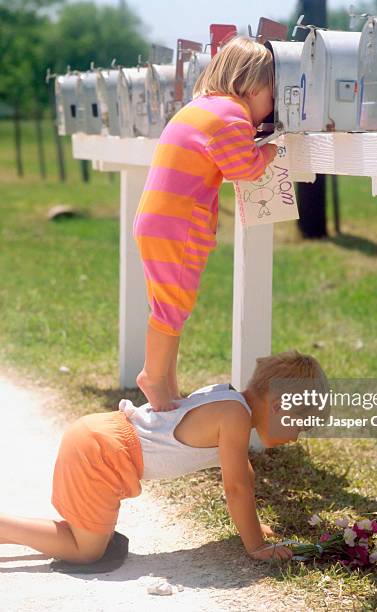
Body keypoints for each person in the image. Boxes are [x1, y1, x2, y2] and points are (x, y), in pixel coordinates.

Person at [0, 351, 328, 570]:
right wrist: (256, 548)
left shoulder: (227, 399)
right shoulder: (235, 417)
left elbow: (239, 478)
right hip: (103, 454)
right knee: (87, 551)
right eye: (303, 425)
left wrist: (259, 533)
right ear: (281, 405)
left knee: (84, 537)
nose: (298, 437)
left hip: (99, 439)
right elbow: (237, 486)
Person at [134, 36, 278, 411]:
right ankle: (153, 378)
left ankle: (166, 384)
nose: (273, 108)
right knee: (172, 307)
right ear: (251, 85)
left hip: (157, 220)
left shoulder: (201, 108)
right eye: (273, 97)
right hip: (178, 226)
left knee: (168, 307)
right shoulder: (232, 117)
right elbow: (244, 168)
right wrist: (272, 149)